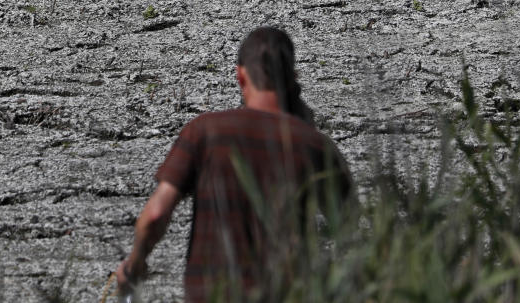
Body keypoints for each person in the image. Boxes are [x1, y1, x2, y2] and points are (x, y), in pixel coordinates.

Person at [115, 27, 355, 302]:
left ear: (240, 75)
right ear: (293, 78)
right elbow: (349, 226)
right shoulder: (314, 145)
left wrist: (133, 265)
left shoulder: (204, 132)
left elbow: (156, 214)